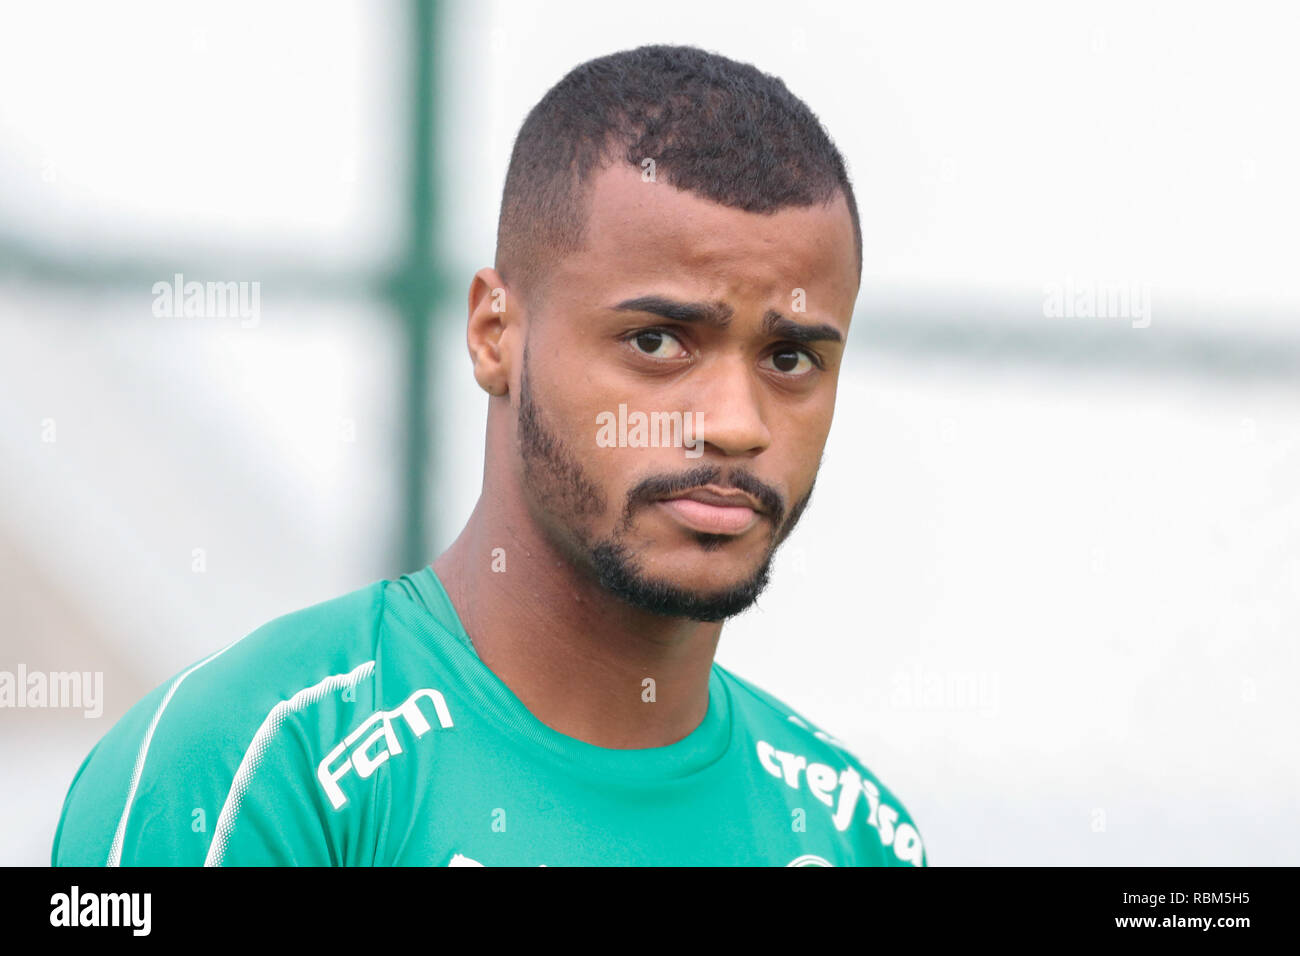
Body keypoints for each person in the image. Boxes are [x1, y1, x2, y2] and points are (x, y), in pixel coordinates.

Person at [52, 43, 926, 867]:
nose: (736, 425)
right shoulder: (250, 767)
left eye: (790, 359)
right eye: (658, 342)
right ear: (494, 333)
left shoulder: (855, 831)